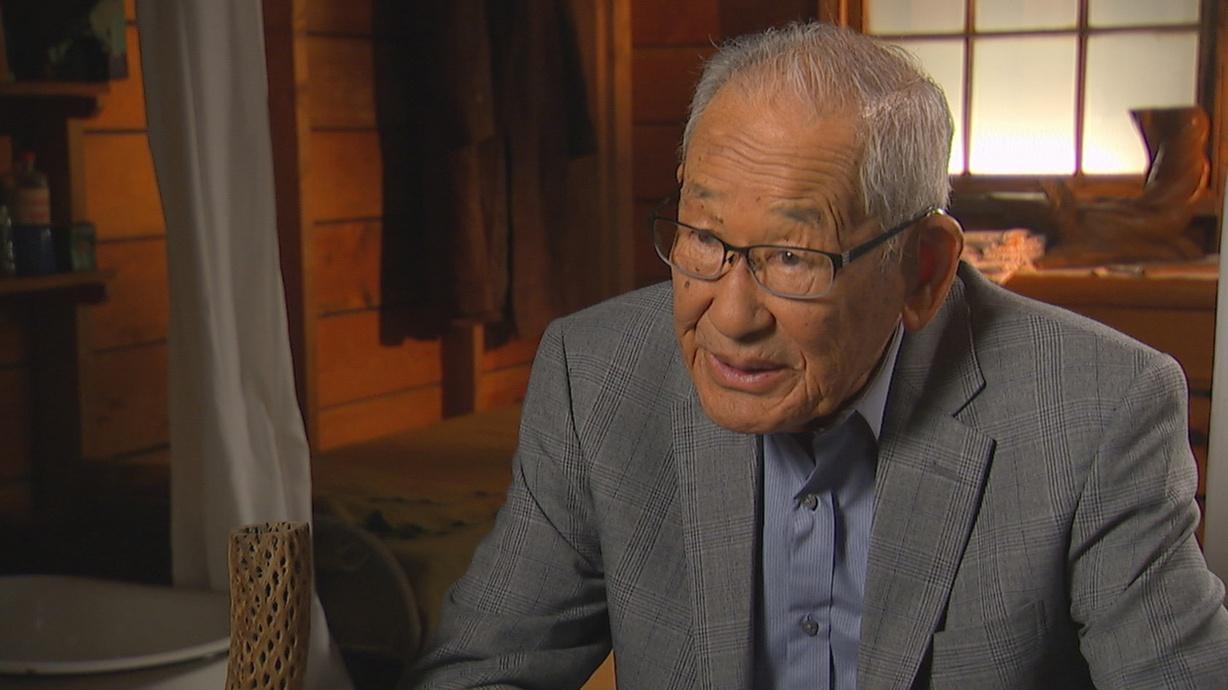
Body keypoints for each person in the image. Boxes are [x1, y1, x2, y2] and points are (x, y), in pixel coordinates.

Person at [410, 21, 1228, 689]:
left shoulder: (1097, 406)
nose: (728, 316)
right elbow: (484, 671)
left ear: (924, 270)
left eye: (794, 257)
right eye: (702, 237)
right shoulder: (597, 374)